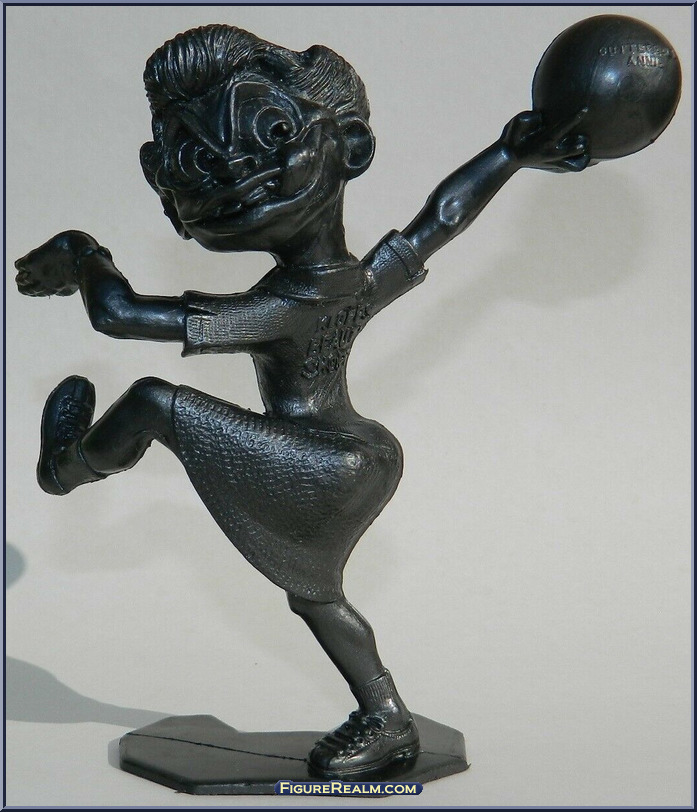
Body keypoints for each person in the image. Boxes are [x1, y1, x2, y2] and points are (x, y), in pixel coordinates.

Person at [15, 24, 588, 778]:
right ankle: (385, 715)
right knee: (316, 598)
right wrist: (508, 155)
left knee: (154, 402)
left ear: (348, 148)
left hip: (320, 460)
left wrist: (84, 255)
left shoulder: (282, 308)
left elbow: (118, 316)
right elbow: (440, 219)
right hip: (357, 455)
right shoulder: (357, 280)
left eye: (271, 134)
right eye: (195, 161)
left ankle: (66, 468)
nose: (229, 169)